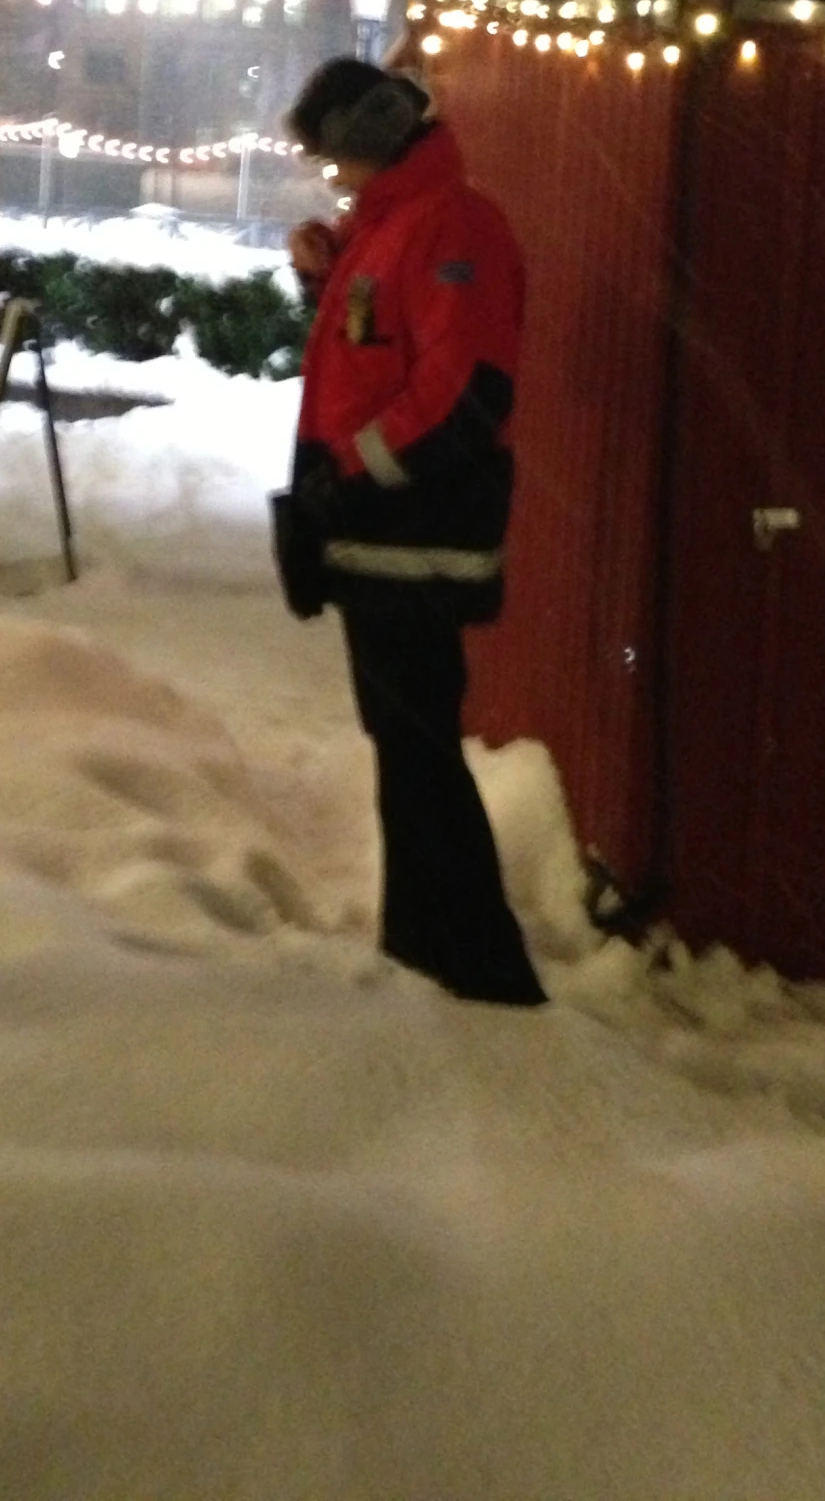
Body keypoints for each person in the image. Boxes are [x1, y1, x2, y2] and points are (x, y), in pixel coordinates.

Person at [275, 57, 546, 1007]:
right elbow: (374, 356)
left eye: (334, 159)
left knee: (420, 751)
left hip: (412, 535)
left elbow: (466, 393)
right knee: (404, 745)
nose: (330, 178)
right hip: (379, 533)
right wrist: (324, 281)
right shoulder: (389, 227)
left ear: (373, 137)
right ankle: (426, 943)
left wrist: (352, 472)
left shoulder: (448, 226)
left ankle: (476, 967)